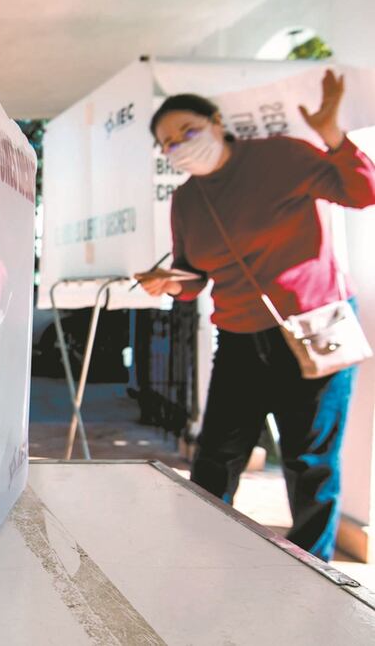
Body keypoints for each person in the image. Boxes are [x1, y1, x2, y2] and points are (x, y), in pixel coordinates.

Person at [138, 70, 375, 562]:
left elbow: (362, 192)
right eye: (167, 143)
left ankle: (312, 572)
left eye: (187, 130)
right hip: (241, 338)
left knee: (311, 465)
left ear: (217, 121)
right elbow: (194, 273)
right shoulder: (186, 199)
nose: (179, 144)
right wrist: (169, 283)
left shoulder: (280, 155)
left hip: (313, 330)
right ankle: (200, 558)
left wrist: (333, 134)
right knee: (216, 460)